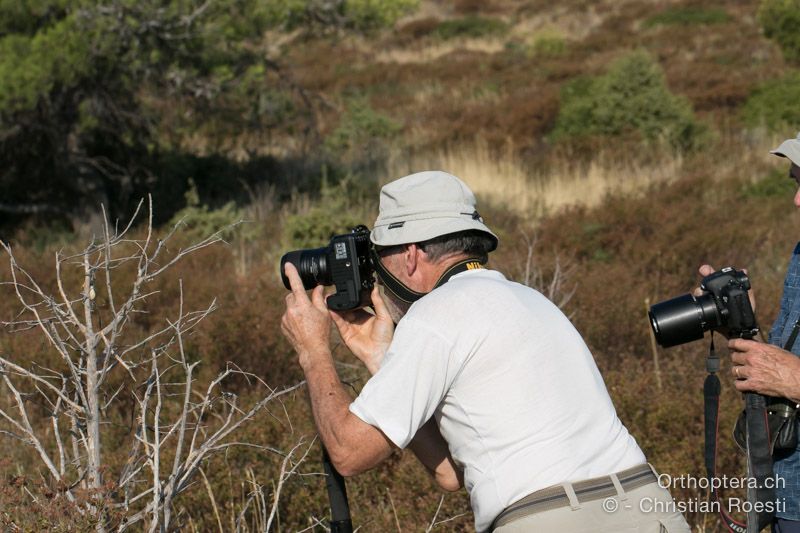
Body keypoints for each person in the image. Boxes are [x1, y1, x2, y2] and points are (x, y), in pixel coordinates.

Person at [281, 170, 689, 532]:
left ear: (409, 255)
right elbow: (450, 473)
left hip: (550, 519)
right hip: (648, 507)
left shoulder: (435, 315)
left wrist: (313, 350)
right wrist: (381, 361)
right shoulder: (532, 301)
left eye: (380, 255)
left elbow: (349, 454)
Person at [699, 134, 800, 533]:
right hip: (785, 492)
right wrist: (741, 325)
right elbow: (783, 367)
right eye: (796, 183)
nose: (796, 200)